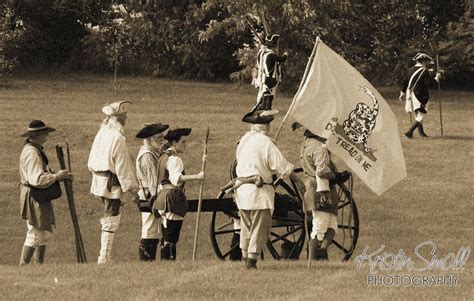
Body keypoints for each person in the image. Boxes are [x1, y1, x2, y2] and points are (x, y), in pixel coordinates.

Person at [234, 110, 301, 269]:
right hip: (259, 193)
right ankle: (251, 262)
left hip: (242, 191)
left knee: (246, 226)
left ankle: (245, 257)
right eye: (269, 124)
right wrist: (297, 180)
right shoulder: (265, 142)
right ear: (266, 126)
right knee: (259, 227)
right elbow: (281, 166)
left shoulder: (244, 140)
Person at [87, 100, 139, 264]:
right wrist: (133, 190)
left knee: (111, 216)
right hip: (110, 183)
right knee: (112, 218)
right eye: (124, 116)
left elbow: (91, 161)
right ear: (117, 118)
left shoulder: (101, 133)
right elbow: (122, 166)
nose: (126, 119)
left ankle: (105, 256)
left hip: (99, 181)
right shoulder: (117, 138)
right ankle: (104, 257)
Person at [18, 120, 71, 265]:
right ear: (38, 134)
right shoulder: (31, 153)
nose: (47, 134)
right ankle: (22, 267)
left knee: (40, 233)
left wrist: (59, 177)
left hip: (36, 194)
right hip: (34, 195)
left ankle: (39, 267)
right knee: (35, 232)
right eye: (45, 132)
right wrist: (56, 177)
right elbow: (37, 179)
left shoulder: (34, 150)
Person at [295, 123, 349, 261]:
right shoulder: (319, 147)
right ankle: (312, 259)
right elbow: (322, 171)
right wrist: (336, 176)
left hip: (316, 187)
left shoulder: (307, 144)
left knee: (332, 226)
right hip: (320, 189)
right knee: (319, 227)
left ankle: (322, 251)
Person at [153, 128, 205, 260]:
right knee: (171, 236)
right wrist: (197, 176)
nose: (185, 144)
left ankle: (166, 263)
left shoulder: (163, 156)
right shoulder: (174, 159)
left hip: (162, 199)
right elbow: (176, 179)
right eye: (183, 142)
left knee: (167, 236)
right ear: (174, 143)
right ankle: (168, 263)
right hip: (172, 199)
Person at [135, 123, 169, 261]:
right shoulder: (148, 155)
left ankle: (148, 260)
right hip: (150, 196)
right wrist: (159, 199)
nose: (161, 140)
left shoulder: (152, 152)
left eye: (162, 137)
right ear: (148, 139)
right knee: (150, 230)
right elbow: (153, 183)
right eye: (157, 138)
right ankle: (146, 261)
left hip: (151, 195)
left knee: (153, 230)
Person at [399, 53, 442, 138]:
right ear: (422, 61)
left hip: (410, 94)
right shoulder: (424, 70)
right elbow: (429, 84)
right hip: (419, 95)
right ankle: (409, 132)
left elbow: (405, 82)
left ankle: (421, 133)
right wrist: (437, 78)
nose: (428, 63)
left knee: (417, 114)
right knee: (422, 114)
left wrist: (402, 93)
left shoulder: (411, 69)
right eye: (427, 61)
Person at [253, 34, 288, 113]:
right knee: (269, 93)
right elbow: (281, 59)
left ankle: (262, 106)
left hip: (263, 77)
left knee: (265, 92)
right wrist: (285, 55)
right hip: (269, 77)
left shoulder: (262, 52)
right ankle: (266, 108)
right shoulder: (270, 54)